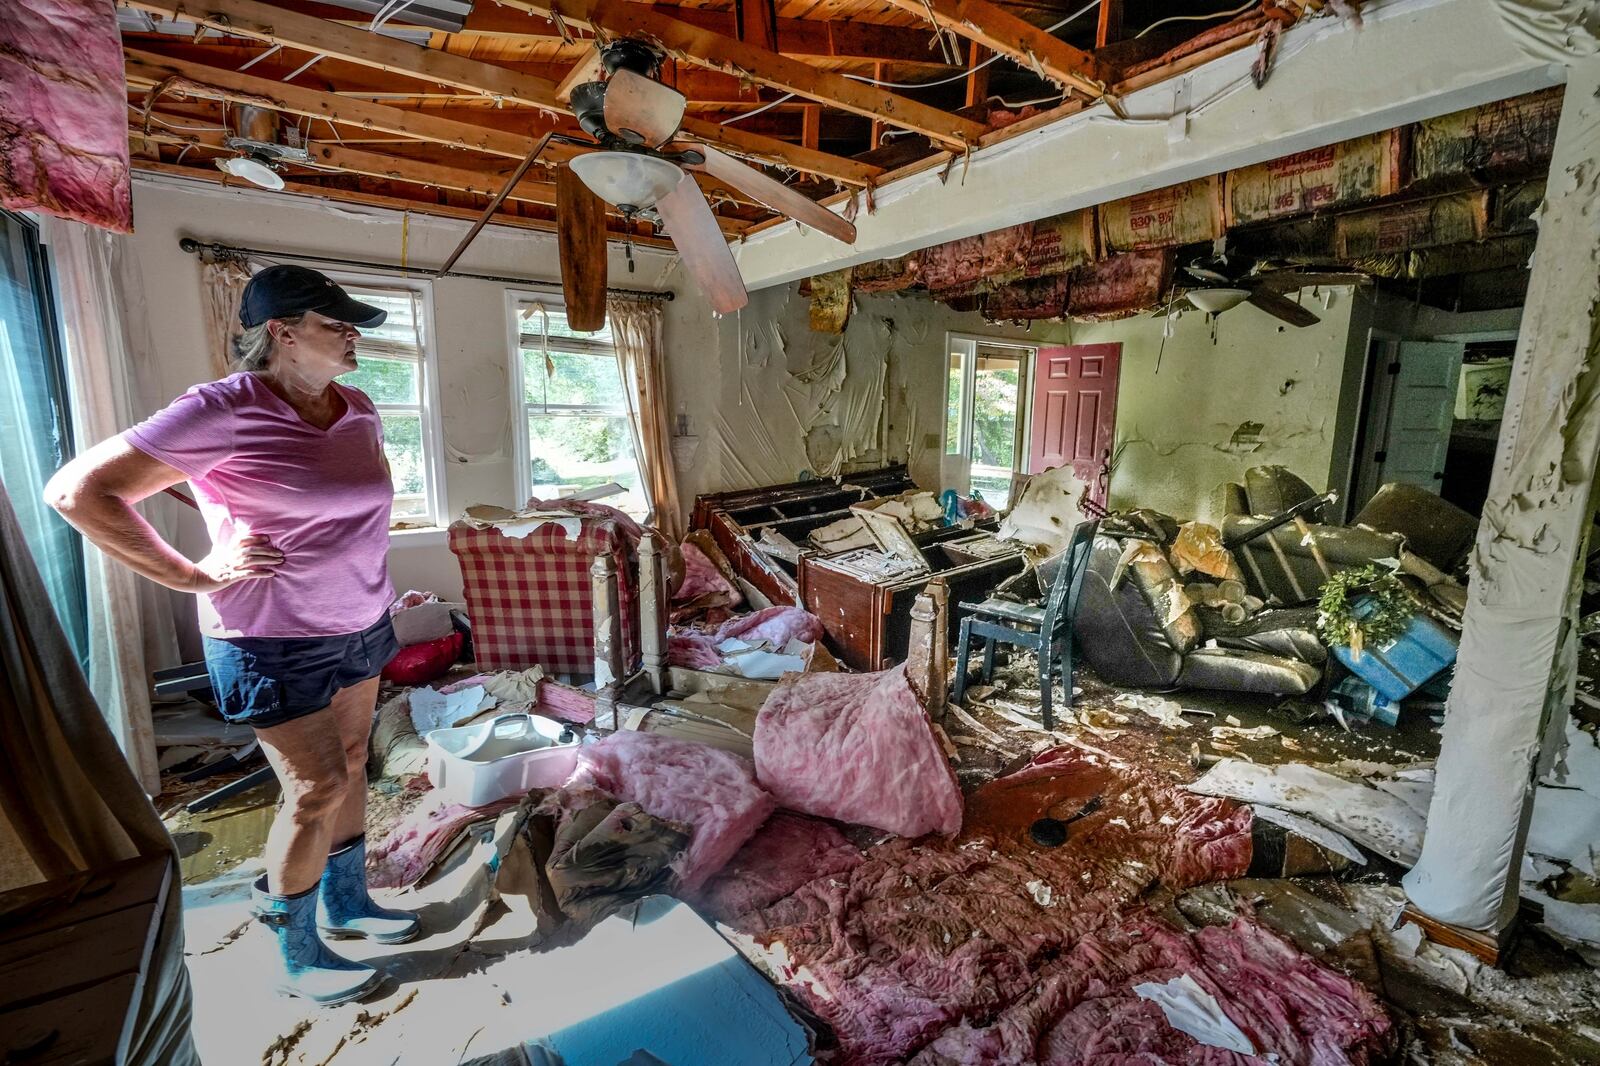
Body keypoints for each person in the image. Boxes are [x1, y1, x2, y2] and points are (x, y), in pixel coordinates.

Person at [46, 264, 417, 1007]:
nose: (353, 334)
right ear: (281, 331)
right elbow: (78, 492)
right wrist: (192, 572)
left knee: (352, 763)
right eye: (334, 321)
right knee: (315, 789)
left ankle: (348, 903)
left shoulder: (360, 409)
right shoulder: (223, 407)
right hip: (269, 634)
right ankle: (297, 947)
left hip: (362, 618)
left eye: (353, 324)